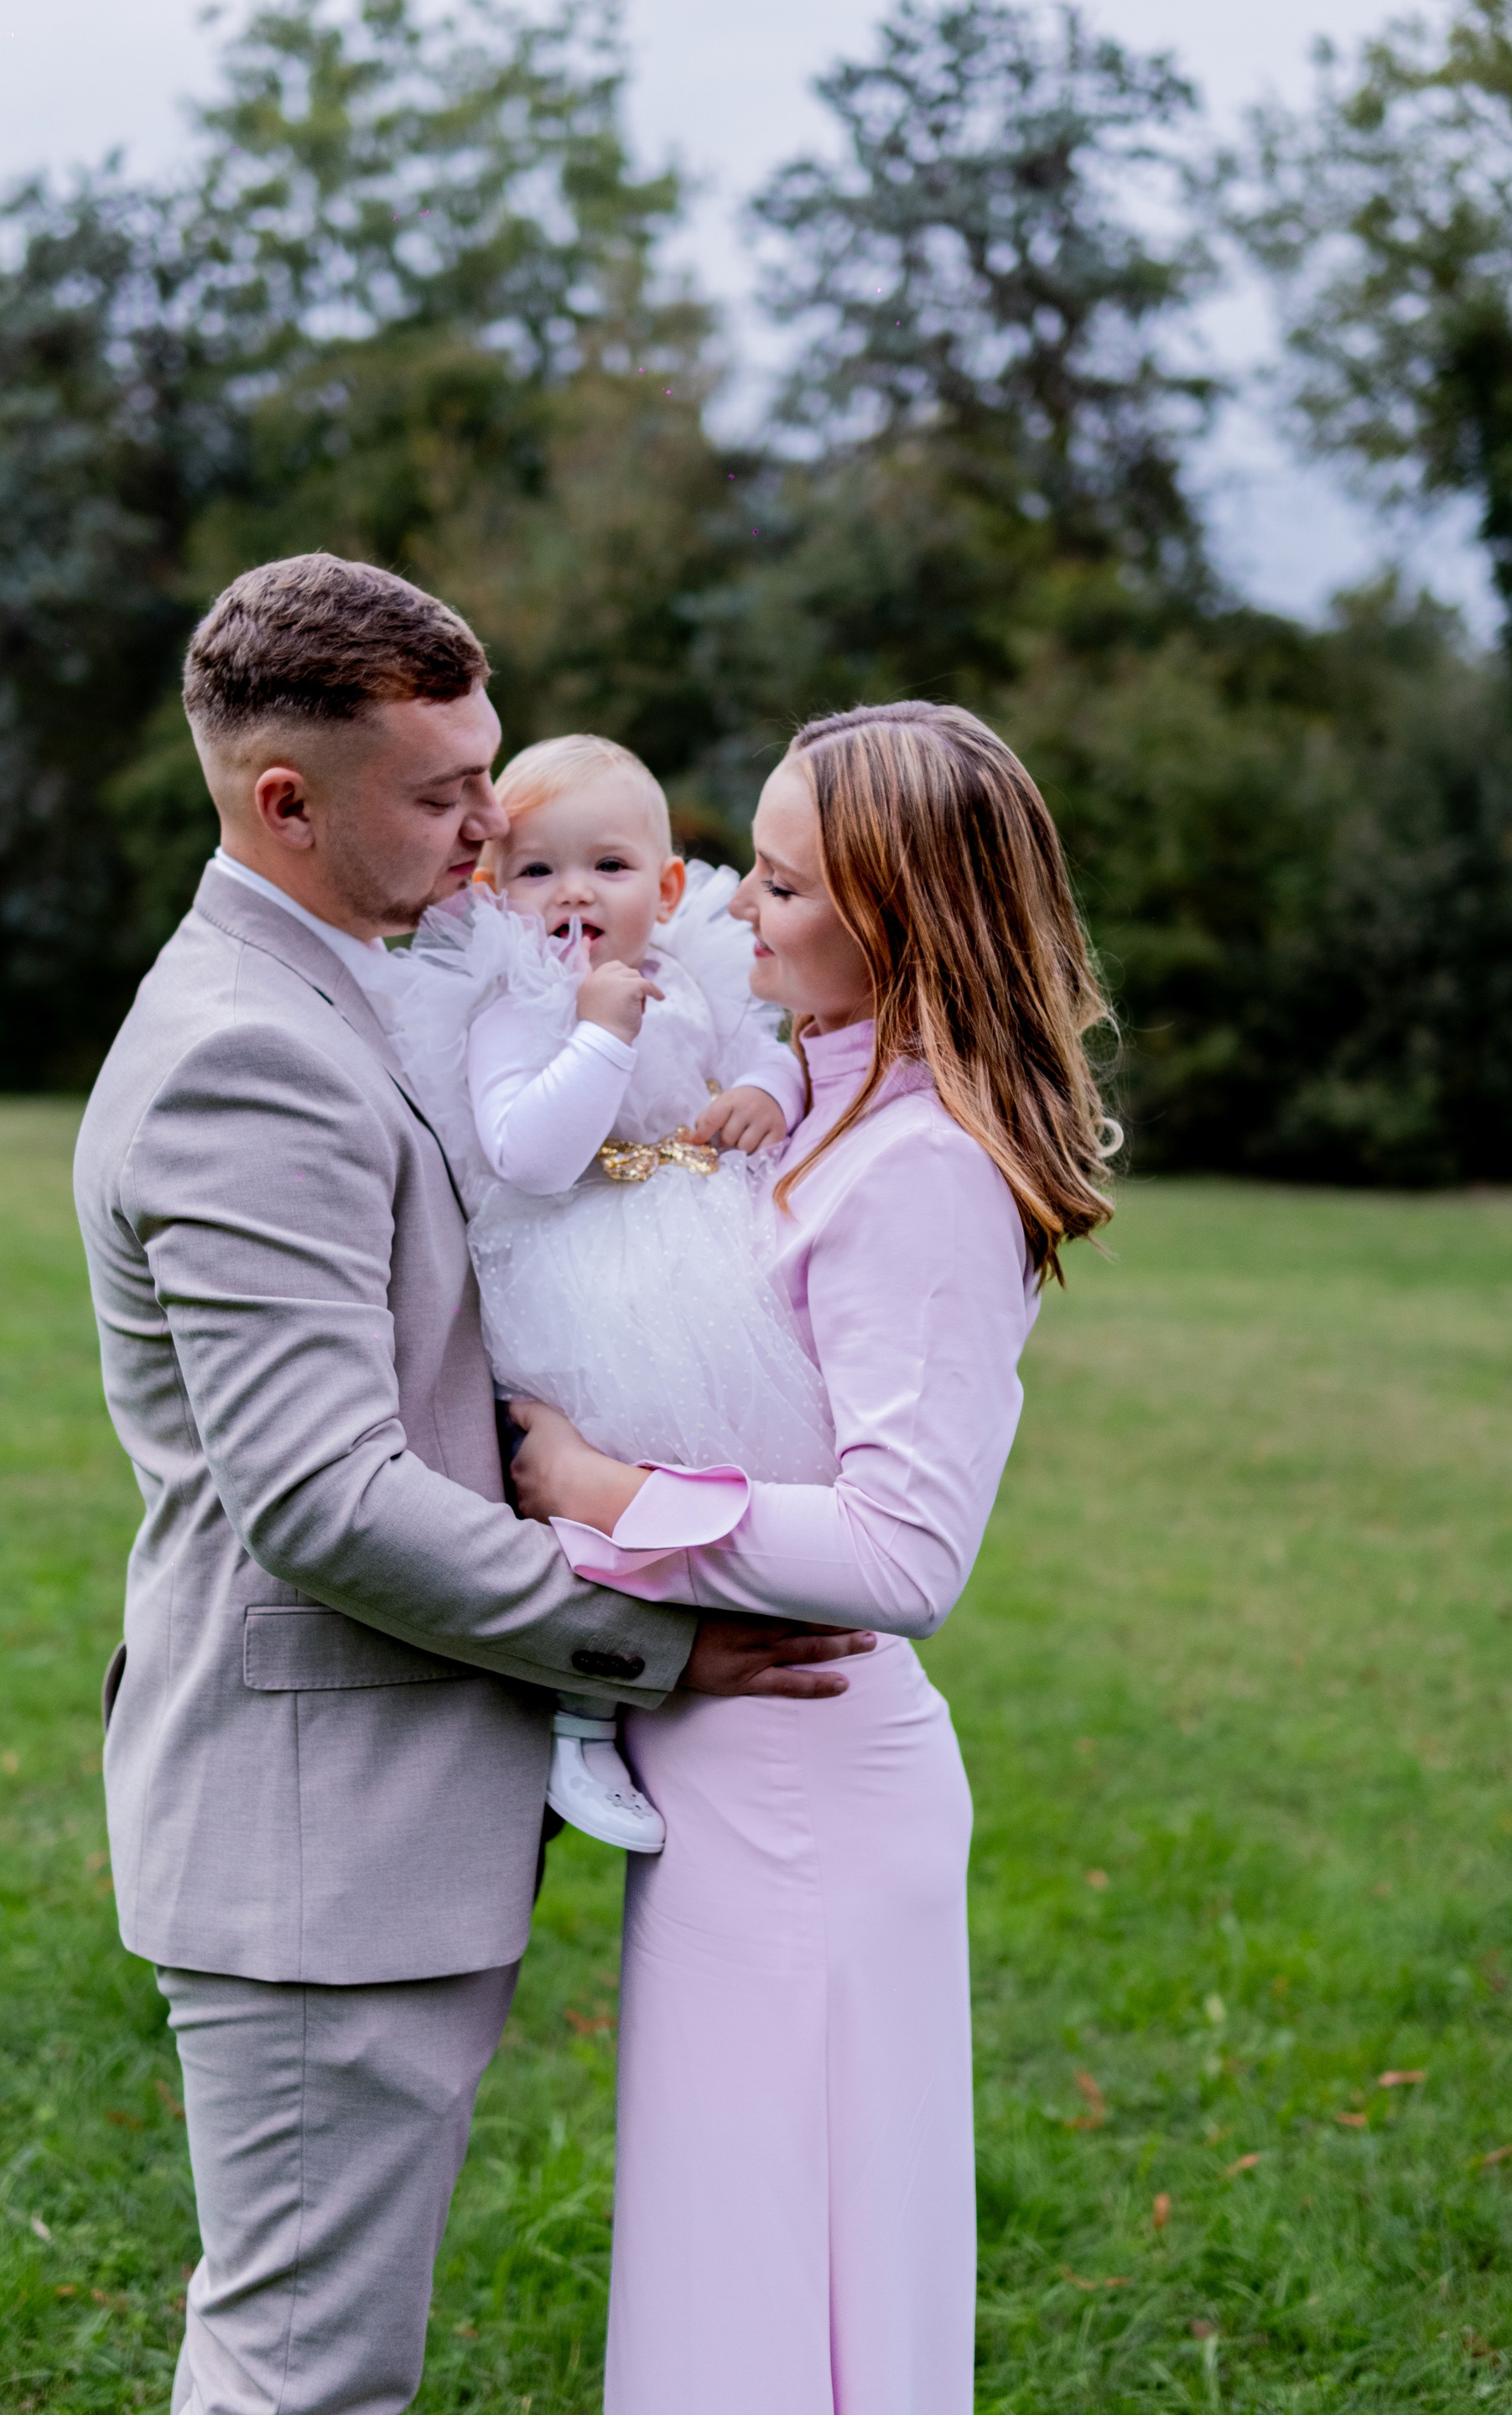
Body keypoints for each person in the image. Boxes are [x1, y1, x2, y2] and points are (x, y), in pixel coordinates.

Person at [71, 552, 870, 2415]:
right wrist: (657, 1644)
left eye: (486, 778)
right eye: (444, 797)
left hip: (378, 1811)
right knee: (304, 2373)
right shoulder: (249, 1058)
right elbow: (324, 1501)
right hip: (315, 1837)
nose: (488, 829)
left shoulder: (366, 988)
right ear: (287, 803)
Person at [510, 699, 1119, 2415]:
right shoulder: (811, 1100)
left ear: (902, 922)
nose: (732, 906)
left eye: (778, 886)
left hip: (807, 1812)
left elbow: (905, 1551)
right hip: (736, 1783)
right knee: (735, 2272)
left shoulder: (923, 1168)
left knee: (784, 2303)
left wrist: (600, 1488)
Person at [392, 732, 835, 1854]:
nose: (575, 893)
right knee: (587, 1493)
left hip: (701, 1258)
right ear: (494, 889)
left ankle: (733, 1654)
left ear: (669, 887)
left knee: (725, 1450)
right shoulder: (518, 1004)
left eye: (610, 866)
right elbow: (527, 1154)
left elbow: (772, 1049)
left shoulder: (700, 971)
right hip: (579, 1270)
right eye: (538, 870)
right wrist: (596, 1033)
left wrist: (769, 1092)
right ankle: (581, 1721)